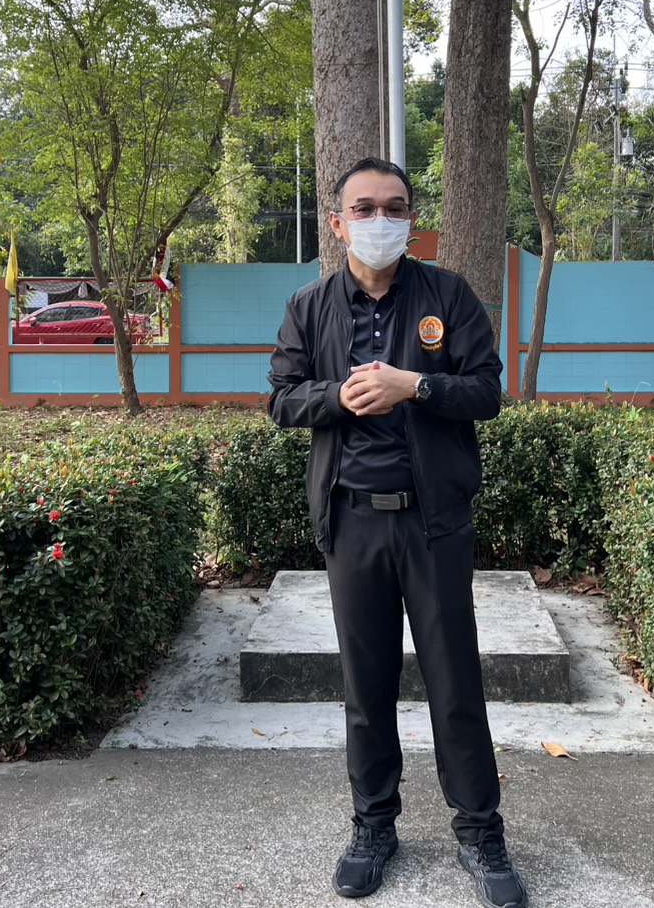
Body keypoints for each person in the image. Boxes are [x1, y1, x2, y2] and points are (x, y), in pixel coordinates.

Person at [267, 157, 527, 908]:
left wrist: (415, 384)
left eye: (394, 207)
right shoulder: (309, 306)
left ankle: (479, 832)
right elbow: (282, 399)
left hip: (433, 522)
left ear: (411, 219)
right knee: (366, 686)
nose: (380, 220)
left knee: (454, 683)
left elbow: (486, 392)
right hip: (351, 521)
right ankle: (373, 825)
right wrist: (340, 397)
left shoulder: (447, 295)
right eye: (365, 207)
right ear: (338, 222)